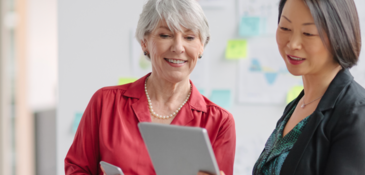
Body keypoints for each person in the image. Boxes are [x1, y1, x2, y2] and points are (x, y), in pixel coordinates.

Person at [64, 0, 236, 174]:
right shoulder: (105, 102)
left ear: (201, 46)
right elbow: (76, 169)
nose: (177, 47)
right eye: (165, 35)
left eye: (189, 37)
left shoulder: (220, 122)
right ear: (144, 42)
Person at [252, 0, 365, 174]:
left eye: (308, 33)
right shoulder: (298, 105)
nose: (293, 43)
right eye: (285, 28)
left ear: (338, 35)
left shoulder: (360, 115)